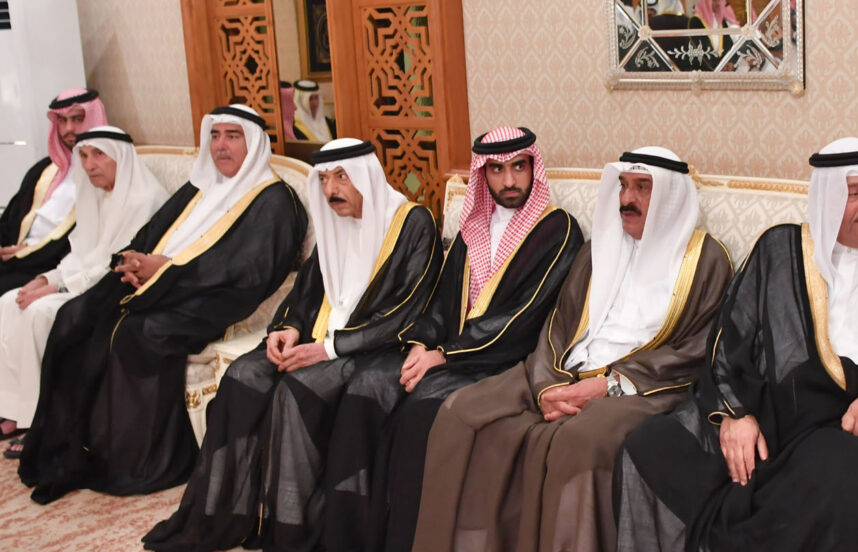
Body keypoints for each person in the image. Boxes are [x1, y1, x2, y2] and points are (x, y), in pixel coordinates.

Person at [614, 138, 858, 551]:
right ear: (828, 197)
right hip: (781, 407)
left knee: (829, 487)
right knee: (651, 446)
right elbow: (732, 342)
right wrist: (735, 413)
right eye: (855, 193)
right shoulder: (783, 249)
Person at [411, 147, 733, 552]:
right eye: (624, 186)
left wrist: (608, 386)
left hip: (641, 387)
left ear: (670, 196)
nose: (626, 199)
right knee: (461, 412)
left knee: (576, 444)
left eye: (642, 188)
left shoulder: (706, 261)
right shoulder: (597, 250)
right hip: (562, 371)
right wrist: (548, 386)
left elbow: (696, 349)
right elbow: (558, 324)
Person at [142, 138, 442, 552]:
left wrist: (330, 349)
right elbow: (304, 293)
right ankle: (231, 516)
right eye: (324, 179)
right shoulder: (334, 220)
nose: (331, 189)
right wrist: (287, 329)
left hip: (373, 349)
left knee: (297, 390)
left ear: (366, 176)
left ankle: (294, 530)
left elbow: (407, 312)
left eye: (342, 177)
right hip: (319, 340)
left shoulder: (412, 224)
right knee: (243, 376)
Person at [18, 105, 309, 504]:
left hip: (215, 300)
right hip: (163, 286)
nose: (221, 146)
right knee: (75, 316)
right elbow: (148, 235)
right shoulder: (198, 187)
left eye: (233, 136)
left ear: (255, 143)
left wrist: (168, 271)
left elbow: (248, 270)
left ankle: (136, 459)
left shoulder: (275, 200)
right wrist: (134, 263)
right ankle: (73, 446)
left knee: (139, 333)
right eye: (215, 135)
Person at [320, 126, 584, 551]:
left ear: (533, 167)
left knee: (420, 410)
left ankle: (406, 540)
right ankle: (353, 537)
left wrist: (445, 354)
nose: (509, 180)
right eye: (496, 169)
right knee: (367, 386)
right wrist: (422, 344)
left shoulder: (558, 231)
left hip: (500, 359)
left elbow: (522, 317)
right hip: (449, 353)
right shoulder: (471, 227)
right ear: (483, 174)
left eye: (519, 167)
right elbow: (442, 301)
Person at [0, 126, 168, 456]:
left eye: (99, 155)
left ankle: (40, 421)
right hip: (80, 284)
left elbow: (115, 265)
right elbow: (79, 254)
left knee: (40, 312)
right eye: (85, 156)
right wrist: (44, 278)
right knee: (8, 301)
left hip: (112, 291)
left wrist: (57, 287)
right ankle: (14, 409)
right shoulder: (96, 195)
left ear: (120, 157)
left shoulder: (144, 199)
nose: (90, 165)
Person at [0, 88, 107, 297]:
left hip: (45, 264)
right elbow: (11, 218)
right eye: (62, 121)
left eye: (77, 119)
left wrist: (28, 252)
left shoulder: (102, 176)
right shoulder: (43, 170)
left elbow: (81, 241)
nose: (69, 129)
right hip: (16, 257)